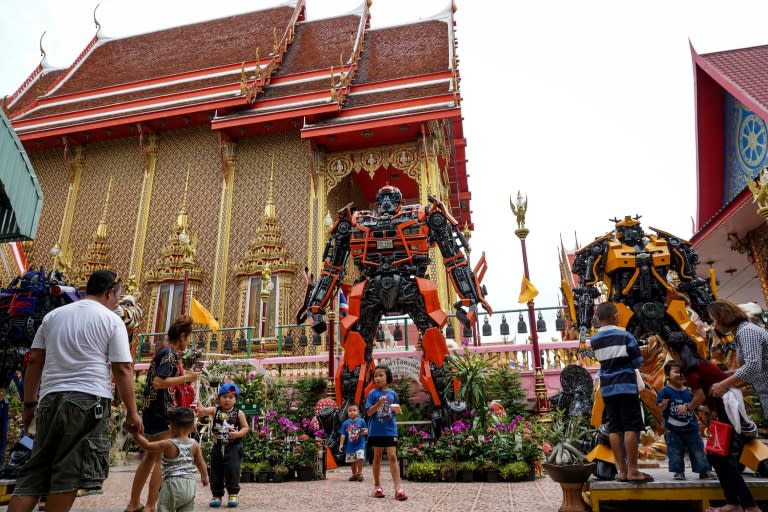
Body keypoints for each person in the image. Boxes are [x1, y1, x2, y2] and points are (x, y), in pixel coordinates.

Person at [8, 270, 143, 512]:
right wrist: (132, 412)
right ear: (110, 292)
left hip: (49, 400)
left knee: (34, 473)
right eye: (118, 296)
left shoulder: (53, 316)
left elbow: (35, 360)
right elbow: (122, 368)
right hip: (87, 400)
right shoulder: (111, 319)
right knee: (68, 475)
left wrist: (29, 405)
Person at [667, 331, 761, 512]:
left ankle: (749, 506)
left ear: (671, 350)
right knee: (715, 456)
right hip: (723, 409)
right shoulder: (697, 362)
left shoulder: (690, 366)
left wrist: (688, 408)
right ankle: (733, 503)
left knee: (721, 458)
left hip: (727, 409)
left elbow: (699, 395)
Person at [126, 316, 201, 512]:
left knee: (150, 457)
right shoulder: (169, 354)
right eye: (189, 337)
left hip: (152, 410)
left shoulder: (163, 351)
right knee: (161, 459)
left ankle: (134, 502)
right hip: (162, 412)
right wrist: (187, 378)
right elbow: (160, 382)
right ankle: (151, 505)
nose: (189, 342)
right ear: (183, 336)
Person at [589, 302, 651, 482]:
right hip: (626, 386)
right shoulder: (625, 336)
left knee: (615, 427)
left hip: (607, 387)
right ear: (615, 316)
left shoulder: (594, 340)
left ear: (598, 319)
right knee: (631, 426)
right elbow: (637, 362)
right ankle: (633, 470)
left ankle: (621, 471)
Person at [132, 407, 209, 512]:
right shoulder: (194, 444)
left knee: (165, 508)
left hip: (172, 485)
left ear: (171, 428)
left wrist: (136, 435)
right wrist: (204, 476)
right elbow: (200, 463)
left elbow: (147, 445)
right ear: (192, 427)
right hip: (190, 485)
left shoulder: (168, 443)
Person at [707, 300, 768, 420]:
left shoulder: (747, 331)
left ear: (723, 317)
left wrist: (722, 384)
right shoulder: (742, 332)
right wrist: (726, 376)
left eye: (714, 320)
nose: (714, 325)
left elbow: (752, 366)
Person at [656, 360, 715, 480]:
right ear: (668, 376)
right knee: (675, 452)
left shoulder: (689, 391)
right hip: (673, 430)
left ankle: (704, 471)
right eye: (677, 372)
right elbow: (659, 406)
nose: (681, 374)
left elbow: (695, 405)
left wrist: (703, 408)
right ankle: (678, 472)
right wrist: (663, 406)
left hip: (691, 428)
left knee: (698, 451)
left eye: (683, 372)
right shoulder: (665, 391)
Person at [195, 383, 250, 508]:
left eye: (231, 397)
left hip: (233, 447)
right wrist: (200, 408)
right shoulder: (215, 410)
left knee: (232, 470)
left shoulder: (238, 413)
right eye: (224, 396)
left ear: (235, 399)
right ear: (219, 398)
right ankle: (217, 495)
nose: (227, 399)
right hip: (217, 447)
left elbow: (246, 427)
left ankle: (233, 493)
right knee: (215, 471)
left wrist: (238, 434)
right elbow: (203, 411)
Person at [365, 365, 407, 501]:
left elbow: (395, 410)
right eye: (375, 376)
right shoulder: (372, 394)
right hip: (375, 431)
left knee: (392, 457)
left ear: (387, 377)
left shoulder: (392, 394)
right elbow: (369, 412)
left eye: (380, 375)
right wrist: (379, 403)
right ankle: (377, 486)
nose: (377, 378)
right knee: (377, 457)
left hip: (390, 430)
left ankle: (398, 488)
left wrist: (397, 411)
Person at [338, 403, 368, 481]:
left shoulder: (361, 421)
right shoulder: (346, 423)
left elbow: (367, 430)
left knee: (360, 457)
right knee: (352, 460)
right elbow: (343, 434)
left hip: (360, 444)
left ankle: (360, 473)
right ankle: (354, 474)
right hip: (350, 445)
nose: (352, 412)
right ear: (347, 413)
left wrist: (360, 432)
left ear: (358, 412)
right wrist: (341, 444)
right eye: (350, 411)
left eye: (354, 410)